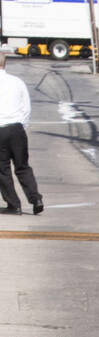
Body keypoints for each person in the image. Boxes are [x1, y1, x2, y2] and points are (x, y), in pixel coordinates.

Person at [0, 49, 44, 216]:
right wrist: (22, 125)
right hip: (16, 128)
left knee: (2, 169)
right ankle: (35, 198)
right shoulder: (17, 82)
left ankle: (14, 204)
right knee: (22, 166)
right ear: (5, 64)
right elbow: (26, 107)